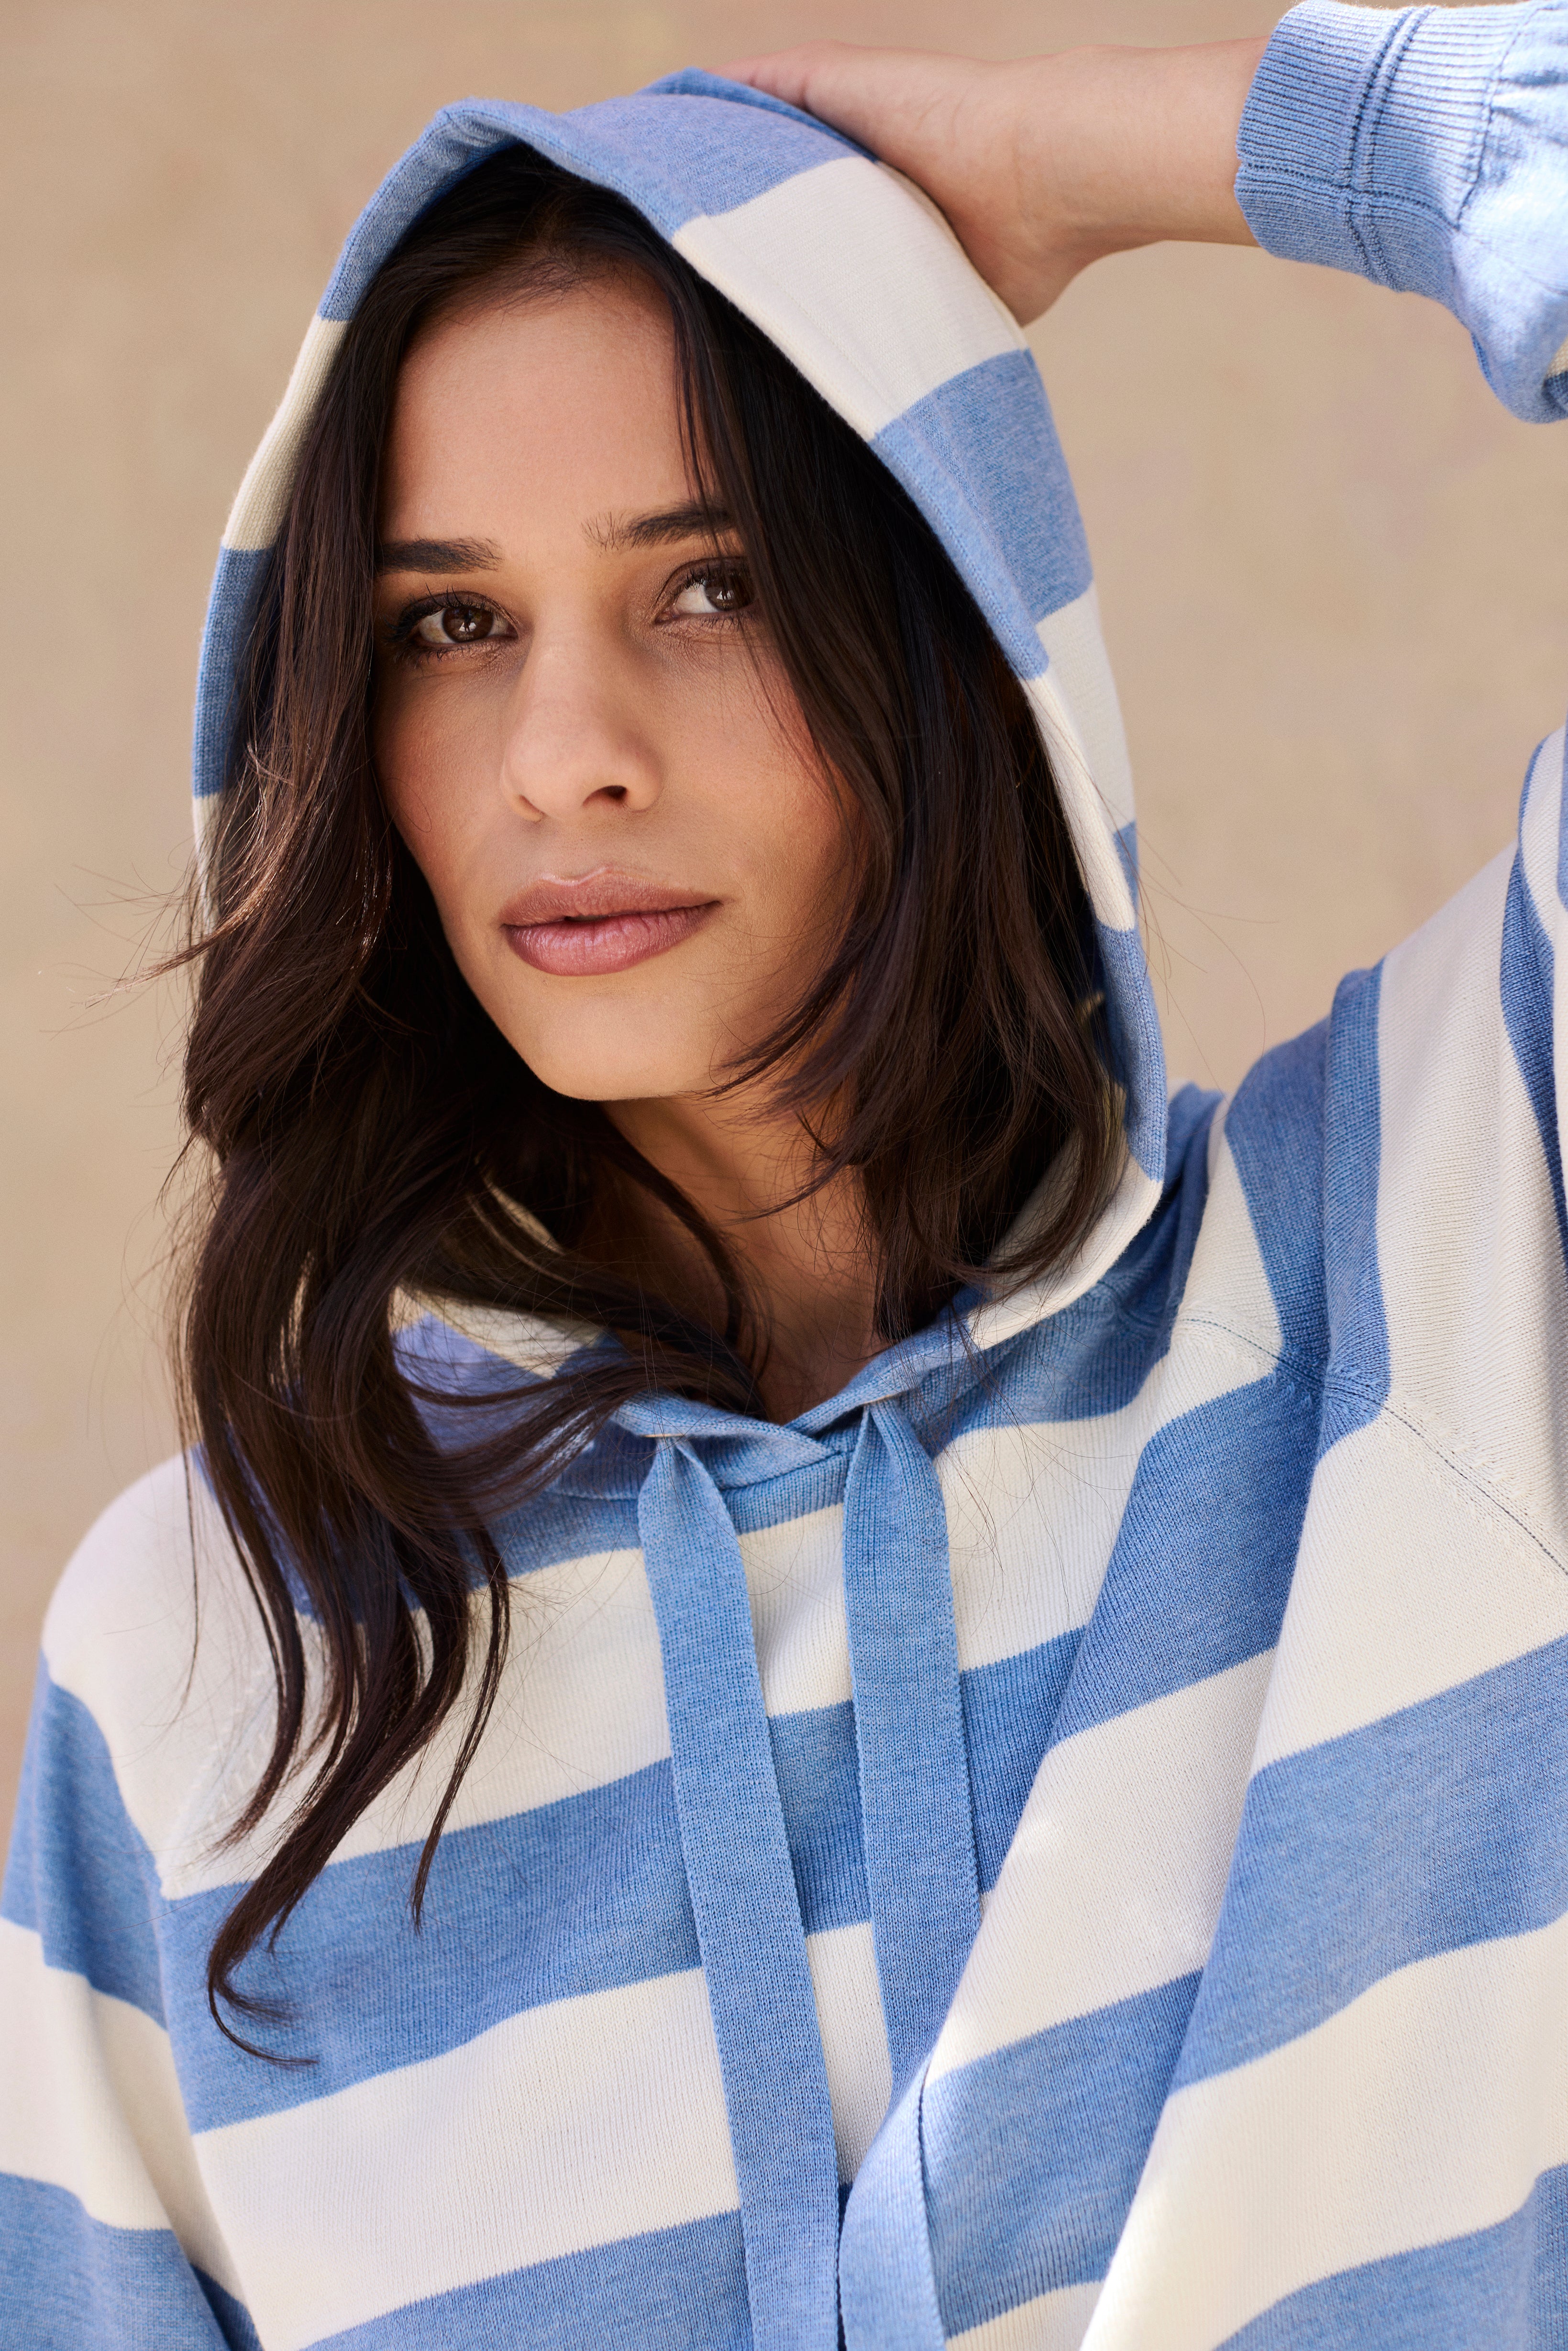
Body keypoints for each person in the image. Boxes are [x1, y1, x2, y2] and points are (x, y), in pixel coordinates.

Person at [3, 5, 1567, 2345]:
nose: (565, 757)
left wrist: (1147, 147)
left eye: (709, 584)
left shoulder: (1432, 1258)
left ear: (946, 634)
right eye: (453, 623)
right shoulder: (211, 1662)